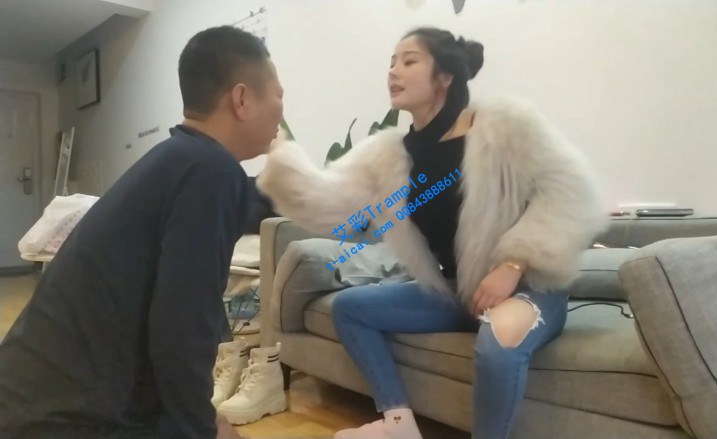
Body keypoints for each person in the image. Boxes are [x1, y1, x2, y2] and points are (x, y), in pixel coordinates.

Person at [258, 27, 608, 439]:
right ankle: (398, 425)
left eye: (409, 61)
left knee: (498, 342)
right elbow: (331, 204)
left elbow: (571, 191)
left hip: (529, 286)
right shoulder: (389, 154)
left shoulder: (505, 125)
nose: (393, 71)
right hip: (459, 290)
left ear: (444, 77)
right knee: (350, 308)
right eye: (392, 62)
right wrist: (284, 162)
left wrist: (512, 265)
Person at [0, 25, 283, 439]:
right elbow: (181, 331)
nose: (281, 110)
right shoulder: (211, 173)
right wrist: (202, 427)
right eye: (278, 94)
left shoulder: (182, 161)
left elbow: (252, 201)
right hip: (64, 421)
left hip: (29, 399)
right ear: (242, 99)